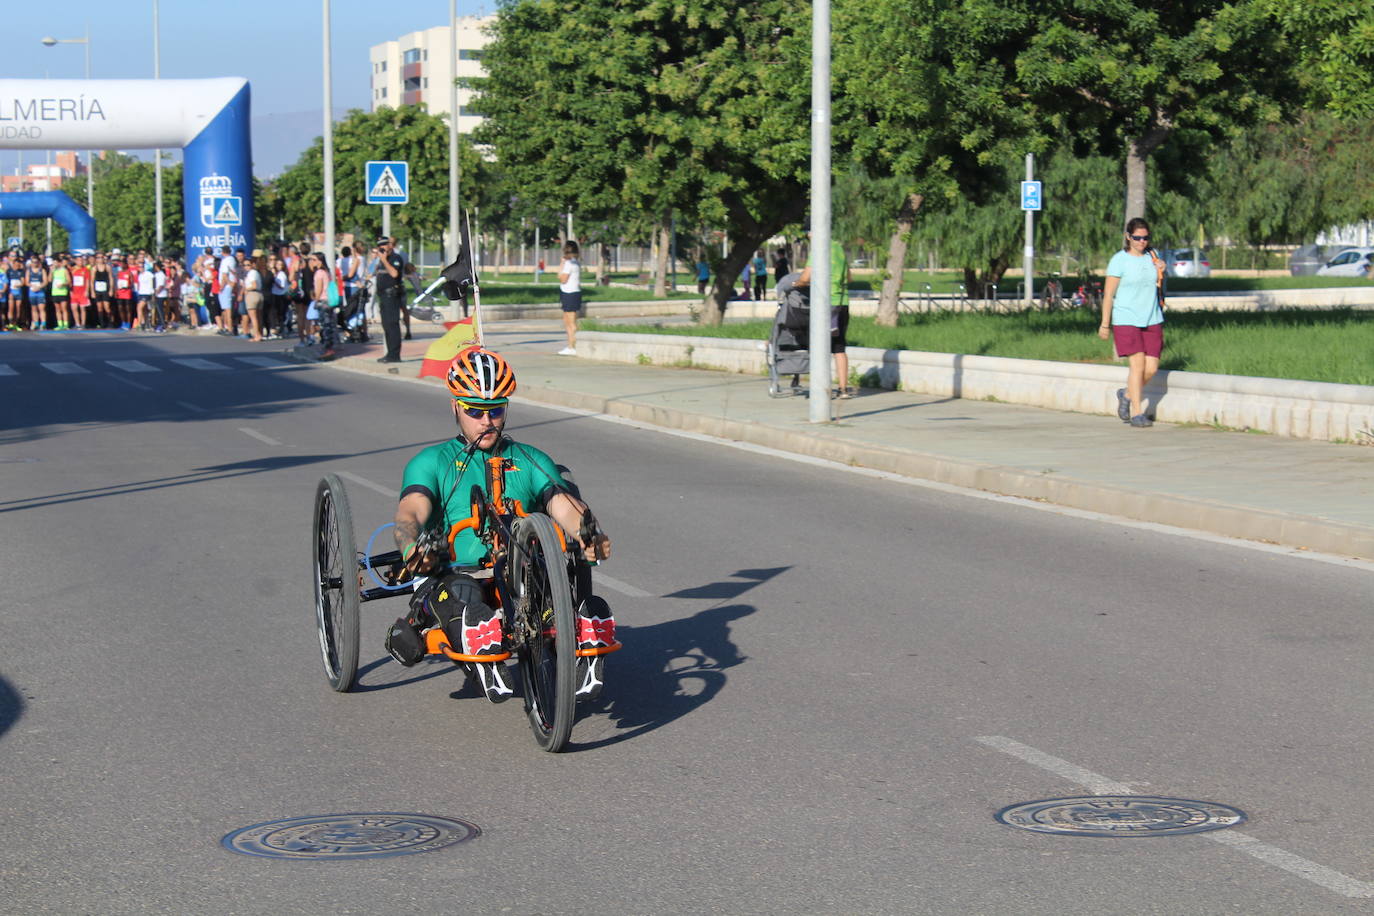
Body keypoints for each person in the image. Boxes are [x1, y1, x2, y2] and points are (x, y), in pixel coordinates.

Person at [383, 346, 616, 702]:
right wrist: (411, 546)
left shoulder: (530, 458)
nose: (486, 421)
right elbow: (410, 511)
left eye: (495, 410)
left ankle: (585, 632)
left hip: (523, 577)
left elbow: (563, 503)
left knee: (554, 603)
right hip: (456, 573)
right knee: (464, 596)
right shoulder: (432, 461)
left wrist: (588, 531)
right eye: (475, 410)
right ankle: (483, 650)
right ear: (455, 407)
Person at [1099, 217, 1166, 428]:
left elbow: (1157, 284)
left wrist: (1162, 269)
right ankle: (1138, 414)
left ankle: (1126, 394)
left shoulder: (1153, 257)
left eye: (1145, 238)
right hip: (1126, 318)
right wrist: (1105, 323)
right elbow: (1109, 294)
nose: (1141, 242)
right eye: (1137, 238)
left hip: (1152, 317)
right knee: (1137, 366)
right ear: (1128, 237)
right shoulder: (1119, 260)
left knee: (1152, 368)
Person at [796, 236, 852, 398]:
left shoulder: (818, 249)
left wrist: (798, 283)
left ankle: (823, 388)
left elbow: (806, 277)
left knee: (820, 346)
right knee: (839, 347)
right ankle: (843, 389)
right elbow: (849, 278)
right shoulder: (839, 249)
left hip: (825, 305)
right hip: (842, 303)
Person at [372, 236, 405, 363]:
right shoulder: (381, 260)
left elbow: (394, 274)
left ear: (390, 246)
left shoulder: (395, 259)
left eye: (385, 245)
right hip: (383, 296)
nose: (383, 247)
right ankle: (389, 353)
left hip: (392, 295)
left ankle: (394, 355)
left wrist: (385, 260)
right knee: (386, 325)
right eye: (380, 246)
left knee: (392, 324)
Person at [557, 240, 582, 355]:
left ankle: (572, 346)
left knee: (570, 322)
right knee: (567, 321)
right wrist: (562, 264)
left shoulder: (569, 264)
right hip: (572, 293)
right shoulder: (575, 262)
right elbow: (560, 276)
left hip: (570, 293)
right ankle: (571, 345)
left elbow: (562, 279)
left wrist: (562, 264)